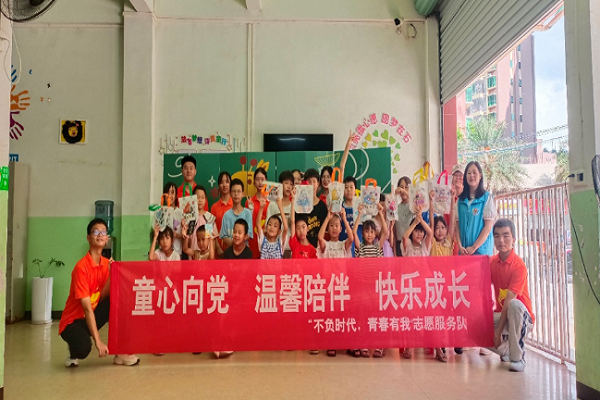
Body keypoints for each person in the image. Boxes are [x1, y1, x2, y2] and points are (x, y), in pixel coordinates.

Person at [59, 218, 139, 367]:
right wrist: (98, 341)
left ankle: (121, 353)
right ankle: (74, 349)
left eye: (103, 232)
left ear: (107, 238)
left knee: (118, 300)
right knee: (83, 349)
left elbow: (102, 296)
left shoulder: (106, 264)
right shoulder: (81, 268)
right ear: (88, 238)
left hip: (91, 315)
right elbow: (87, 308)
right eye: (96, 231)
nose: (100, 234)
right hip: (72, 322)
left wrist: (112, 275)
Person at [455, 161, 497, 356]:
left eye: (474, 172)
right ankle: (464, 338)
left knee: (482, 297)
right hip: (464, 254)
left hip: (480, 254)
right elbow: (456, 225)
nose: (471, 176)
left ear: (480, 176)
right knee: (465, 295)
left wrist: (474, 247)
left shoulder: (487, 198)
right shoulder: (460, 200)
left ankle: (485, 341)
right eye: (468, 173)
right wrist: (460, 245)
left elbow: (488, 226)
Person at [488, 219, 535, 372]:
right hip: (503, 315)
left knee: (514, 305)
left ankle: (518, 358)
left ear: (513, 239)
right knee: (474, 324)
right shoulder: (491, 263)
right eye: (497, 236)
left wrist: (498, 332)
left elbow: (509, 302)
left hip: (522, 317)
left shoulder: (519, 266)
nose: (501, 240)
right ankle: (506, 350)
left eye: (506, 236)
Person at [349, 204, 386, 358]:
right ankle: (363, 343)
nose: (369, 234)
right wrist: (359, 214)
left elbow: (385, 232)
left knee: (377, 316)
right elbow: (353, 232)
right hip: (363, 287)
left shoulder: (378, 248)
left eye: (372, 231)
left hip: (376, 287)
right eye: (366, 231)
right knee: (363, 316)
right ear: (363, 233)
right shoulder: (361, 248)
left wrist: (381, 213)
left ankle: (379, 345)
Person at [401, 204, 433, 360]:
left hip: (423, 286)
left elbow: (430, 233)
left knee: (425, 314)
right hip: (409, 287)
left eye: (421, 231)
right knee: (410, 316)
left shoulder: (425, 247)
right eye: (416, 231)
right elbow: (404, 236)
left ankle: (430, 343)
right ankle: (409, 345)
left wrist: (421, 219)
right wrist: (415, 222)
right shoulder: (407, 246)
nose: (419, 234)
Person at [428, 189, 457, 363]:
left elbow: (452, 219)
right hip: (433, 286)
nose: (439, 231)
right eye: (437, 228)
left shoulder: (448, 243)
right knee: (435, 315)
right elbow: (431, 221)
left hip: (447, 286)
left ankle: (447, 343)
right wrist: (431, 201)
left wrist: (453, 200)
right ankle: (438, 348)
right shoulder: (431, 242)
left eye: (442, 228)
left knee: (446, 316)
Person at [266, 170, 295, 258]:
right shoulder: (272, 205)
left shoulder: (293, 206)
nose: (289, 187)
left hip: (289, 247)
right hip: (274, 247)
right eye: (286, 183)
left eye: (291, 184)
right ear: (280, 185)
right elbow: (267, 227)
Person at [220, 178, 253, 250]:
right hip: (230, 252)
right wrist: (235, 242)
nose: (236, 194)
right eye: (234, 191)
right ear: (230, 193)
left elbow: (249, 234)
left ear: (243, 194)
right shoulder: (226, 215)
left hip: (244, 251)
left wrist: (236, 241)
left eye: (239, 191)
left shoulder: (247, 213)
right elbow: (224, 237)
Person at [246, 167, 269, 259]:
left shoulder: (271, 201)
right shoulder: (249, 202)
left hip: (268, 241)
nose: (260, 182)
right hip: (253, 240)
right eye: (257, 179)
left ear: (266, 181)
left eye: (262, 179)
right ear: (254, 182)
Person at [302, 168, 328, 248]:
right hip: (303, 246)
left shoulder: (322, 206)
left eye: (314, 181)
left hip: (318, 247)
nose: (312, 184)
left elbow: (324, 230)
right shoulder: (300, 205)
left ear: (318, 184)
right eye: (309, 181)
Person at [289, 193, 317, 259]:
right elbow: (292, 222)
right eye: (298, 228)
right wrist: (293, 200)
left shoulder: (312, 250)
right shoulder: (295, 244)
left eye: (303, 227)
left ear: (308, 228)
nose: (301, 230)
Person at [162, 182, 185, 258]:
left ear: (176, 196)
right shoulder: (161, 212)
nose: (169, 196)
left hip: (177, 251)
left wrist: (177, 235)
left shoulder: (181, 212)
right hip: (163, 252)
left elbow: (186, 235)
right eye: (167, 193)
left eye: (172, 193)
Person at [211, 171, 233, 246]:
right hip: (217, 247)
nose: (224, 185)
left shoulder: (235, 205)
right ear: (218, 185)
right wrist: (217, 248)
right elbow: (210, 229)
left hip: (233, 247)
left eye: (227, 182)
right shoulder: (214, 207)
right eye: (221, 182)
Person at [394, 176, 413, 256]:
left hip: (411, 244)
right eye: (401, 187)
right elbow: (394, 231)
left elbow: (414, 200)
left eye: (406, 187)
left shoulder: (413, 205)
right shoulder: (396, 207)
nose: (403, 189)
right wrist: (394, 252)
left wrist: (404, 191)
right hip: (399, 244)